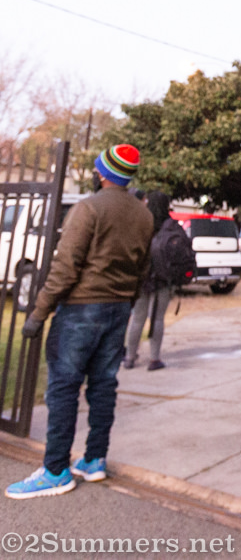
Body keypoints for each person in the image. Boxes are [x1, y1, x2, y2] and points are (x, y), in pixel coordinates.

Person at [6, 144, 153, 499]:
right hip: (118, 309)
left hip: (81, 310)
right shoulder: (145, 215)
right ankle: (93, 459)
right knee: (103, 386)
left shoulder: (89, 208)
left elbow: (64, 268)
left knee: (63, 388)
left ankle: (56, 470)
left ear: (102, 173)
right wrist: (126, 303)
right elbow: (143, 268)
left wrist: (38, 312)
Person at [123, 190, 175, 371]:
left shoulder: (140, 222)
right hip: (163, 279)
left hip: (142, 278)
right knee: (157, 318)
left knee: (137, 318)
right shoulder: (172, 226)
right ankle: (154, 359)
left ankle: (130, 357)